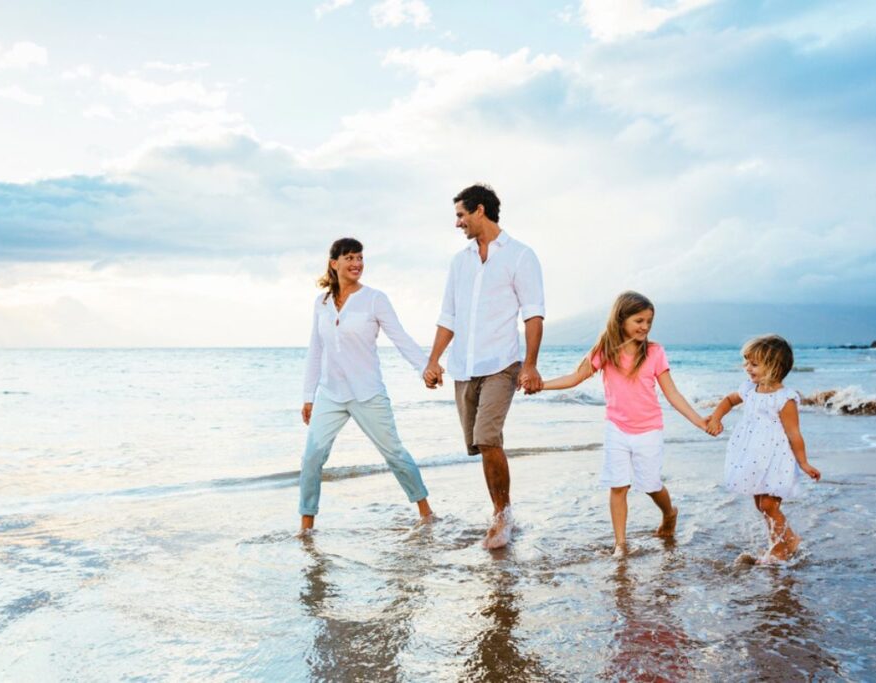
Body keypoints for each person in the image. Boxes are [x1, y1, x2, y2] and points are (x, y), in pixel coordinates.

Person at [423, 183, 545, 549]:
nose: (458, 223)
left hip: (501, 363)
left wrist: (531, 365)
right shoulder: (459, 262)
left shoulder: (521, 256)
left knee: (488, 437)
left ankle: (502, 516)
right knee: (478, 444)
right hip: (464, 367)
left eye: (461, 215)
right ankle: (500, 507)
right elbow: (449, 316)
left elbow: (533, 314)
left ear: (479, 210)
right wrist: (433, 361)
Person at [541, 291, 707, 556]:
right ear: (621, 319)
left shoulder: (654, 352)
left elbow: (672, 393)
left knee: (651, 484)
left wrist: (699, 421)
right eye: (639, 320)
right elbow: (575, 378)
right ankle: (620, 544)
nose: (645, 327)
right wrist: (541, 385)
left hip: (649, 429)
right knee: (618, 486)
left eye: (649, 322)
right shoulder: (604, 350)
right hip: (616, 428)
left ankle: (669, 512)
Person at [299, 237, 433, 532]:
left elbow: (399, 336)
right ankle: (306, 526)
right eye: (349, 258)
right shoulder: (321, 303)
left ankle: (426, 512)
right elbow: (315, 350)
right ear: (334, 263)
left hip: (367, 392)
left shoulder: (375, 299)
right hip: (330, 394)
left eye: (360, 258)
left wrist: (425, 367)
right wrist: (309, 396)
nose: (357, 263)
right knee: (311, 457)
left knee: (394, 454)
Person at [705, 334, 820, 563]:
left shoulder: (785, 399)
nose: (747, 368)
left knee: (769, 504)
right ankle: (782, 541)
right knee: (761, 504)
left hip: (775, 458)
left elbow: (794, 434)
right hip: (752, 456)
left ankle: (783, 544)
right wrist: (716, 418)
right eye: (747, 362)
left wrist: (804, 463)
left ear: (774, 367)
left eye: (754, 364)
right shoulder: (749, 389)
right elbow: (729, 400)